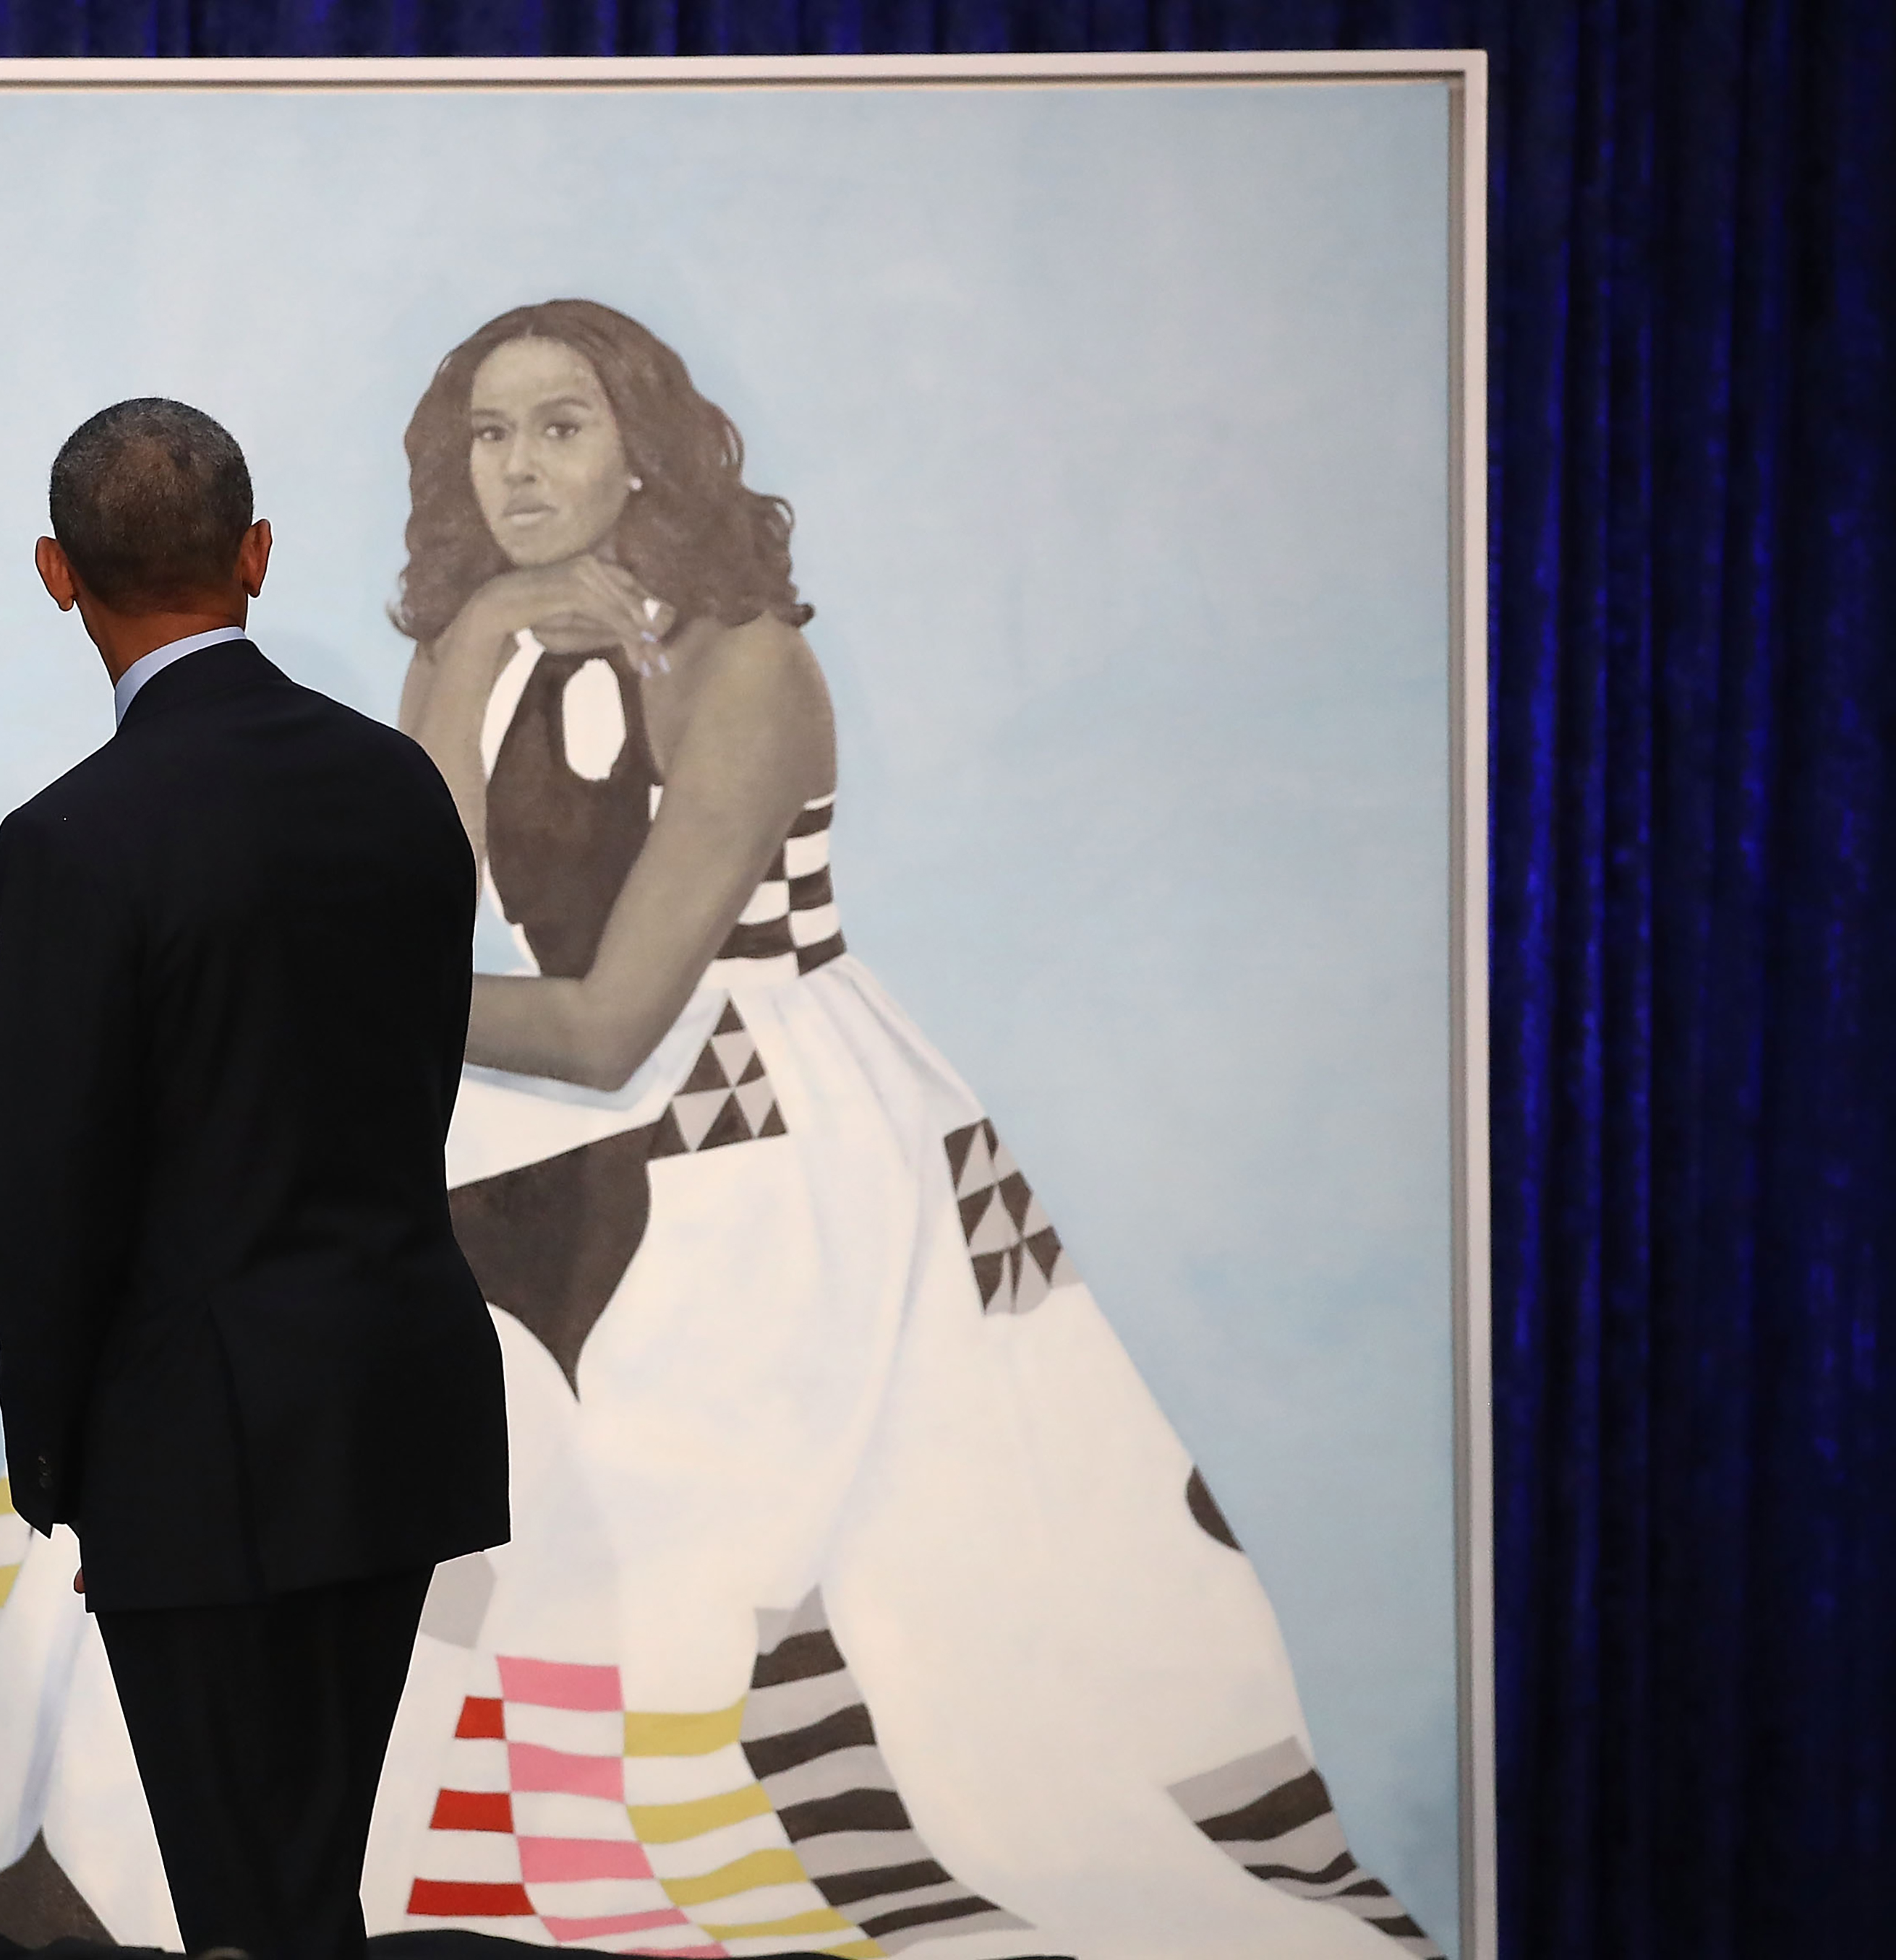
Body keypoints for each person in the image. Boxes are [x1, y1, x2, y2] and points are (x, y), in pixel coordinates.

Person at [370, 301, 1444, 1960]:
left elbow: (604, 1029)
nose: (514, 467)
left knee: (722, 1532)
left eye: (559, 425)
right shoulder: (475, 647)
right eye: (486, 434)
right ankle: (493, 1857)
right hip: (545, 1130)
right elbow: (404, 910)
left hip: (764, 1138)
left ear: (643, 448)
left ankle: (713, 1855)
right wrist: (472, 651)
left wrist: (342, 1009)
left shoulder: (742, 664)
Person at [0, 396, 509, 1960]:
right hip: (391, 1402)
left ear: (58, 574)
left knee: (246, 1908)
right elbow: (411, 1085)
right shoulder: (397, 786)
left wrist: (51, 1449)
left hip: (194, 1451)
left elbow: (53, 1193)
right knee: (299, 1895)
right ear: (256, 554)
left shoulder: (76, 839)